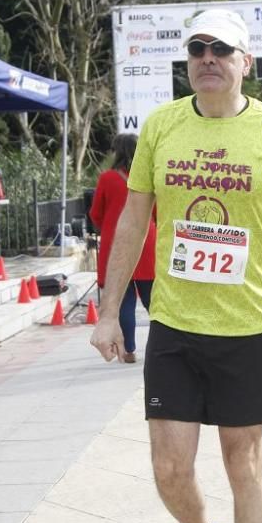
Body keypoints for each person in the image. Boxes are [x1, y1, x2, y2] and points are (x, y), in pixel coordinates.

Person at [90, 8, 262, 523]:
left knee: (243, 465)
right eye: (196, 49)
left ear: (245, 62)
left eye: (220, 49)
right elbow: (132, 220)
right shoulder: (162, 126)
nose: (206, 59)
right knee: (169, 471)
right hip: (174, 323)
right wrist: (106, 309)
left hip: (248, 327)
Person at [89, 132, 155, 362]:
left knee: (123, 302)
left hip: (115, 245)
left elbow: (96, 213)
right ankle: (161, 346)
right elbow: (156, 212)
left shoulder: (107, 178)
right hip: (147, 245)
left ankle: (128, 349)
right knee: (154, 302)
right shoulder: (149, 176)